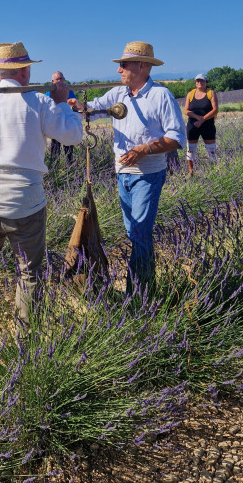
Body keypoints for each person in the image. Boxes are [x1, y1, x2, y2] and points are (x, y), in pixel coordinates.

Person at [0, 41, 82, 336]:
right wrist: (63, 102)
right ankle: (25, 341)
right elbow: (74, 136)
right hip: (25, 203)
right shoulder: (40, 102)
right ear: (24, 71)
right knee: (29, 275)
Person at [73, 41, 186, 295]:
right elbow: (92, 109)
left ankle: (139, 292)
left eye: (123, 65)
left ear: (142, 66)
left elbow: (177, 137)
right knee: (134, 232)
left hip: (147, 175)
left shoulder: (160, 96)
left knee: (139, 232)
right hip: (122, 174)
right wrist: (73, 103)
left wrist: (142, 150)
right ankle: (145, 289)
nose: (119, 70)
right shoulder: (119, 94)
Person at [184, 73, 218, 176]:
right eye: (198, 81)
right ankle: (191, 172)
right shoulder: (190, 94)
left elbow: (215, 109)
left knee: (211, 150)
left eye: (202, 81)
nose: (200, 82)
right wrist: (198, 118)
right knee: (190, 150)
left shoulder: (211, 93)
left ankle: (212, 172)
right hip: (193, 125)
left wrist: (202, 120)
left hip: (208, 125)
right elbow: (186, 110)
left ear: (206, 82)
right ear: (195, 82)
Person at [45, 72, 77, 163]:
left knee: (69, 149)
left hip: (67, 123)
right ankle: (55, 169)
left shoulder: (69, 91)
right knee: (55, 149)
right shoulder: (48, 92)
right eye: (57, 79)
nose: (59, 81)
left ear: (64, 79)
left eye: (61, 79)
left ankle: (70, 168)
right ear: (52, 81)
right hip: (55, 123)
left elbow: (74, 105)